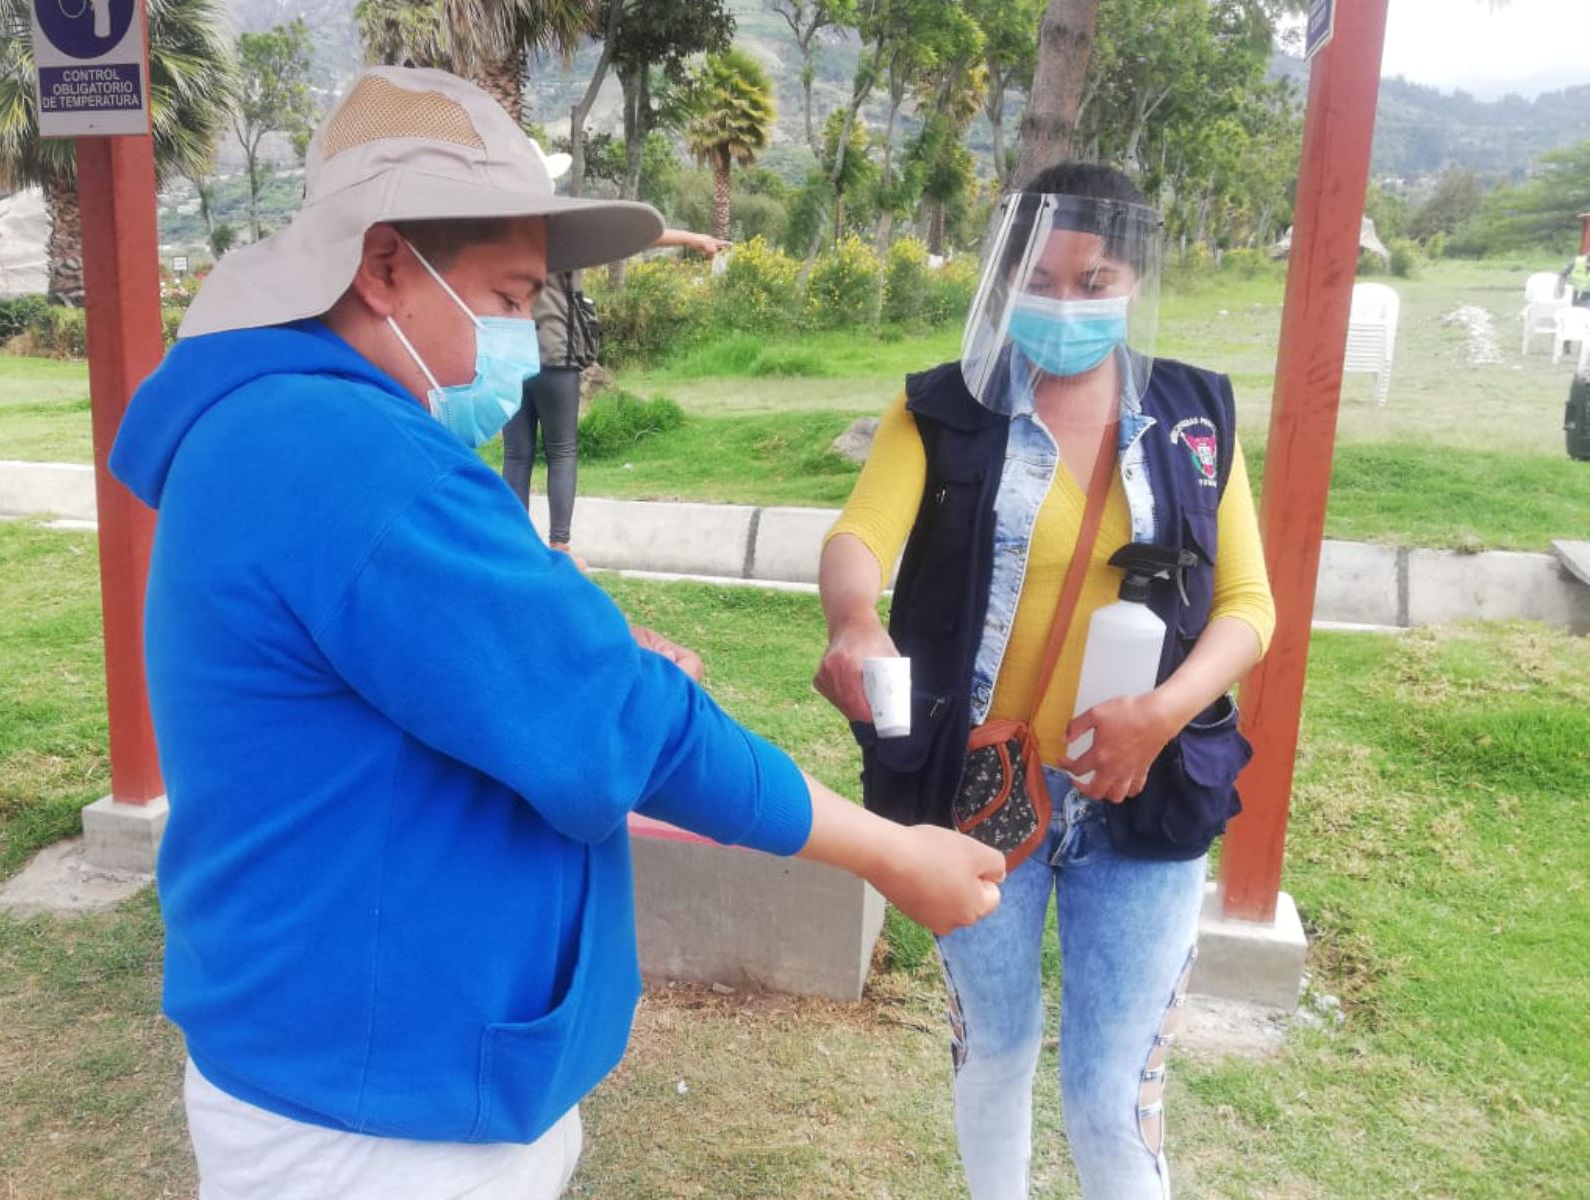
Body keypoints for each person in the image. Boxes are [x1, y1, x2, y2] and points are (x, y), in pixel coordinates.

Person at [109, 66, 1005, 1200]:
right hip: (382, 1116)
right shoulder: (354, 458)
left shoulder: (279, 427)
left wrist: (579, 650)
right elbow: (622, 728)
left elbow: (444, 671)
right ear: (385, 265)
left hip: (338, 1048)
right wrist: (894, 851)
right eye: (507, 294)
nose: (526, 337)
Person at [811, 162, 1276, 1200]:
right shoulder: (944, 409)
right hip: (983, 798)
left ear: (1136, 280)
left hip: (1145, 797)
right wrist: (853, 620)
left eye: (1094, 279)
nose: (1065, 305)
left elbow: (1251, 606)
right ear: (1002, 277)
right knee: (997, 1053)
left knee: (1113, 1099)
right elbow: (860, 535)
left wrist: (1159, 715)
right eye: (1041, 279)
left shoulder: (1197, 420)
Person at [504, 148, 728, 555]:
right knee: (562, 451)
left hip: (511, 359)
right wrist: (695, 239)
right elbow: (638, 237)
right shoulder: (568, 226)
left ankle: (514, 544)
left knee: (517, 456)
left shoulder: (501, 227)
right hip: (559, 358)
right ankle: (560, 546)